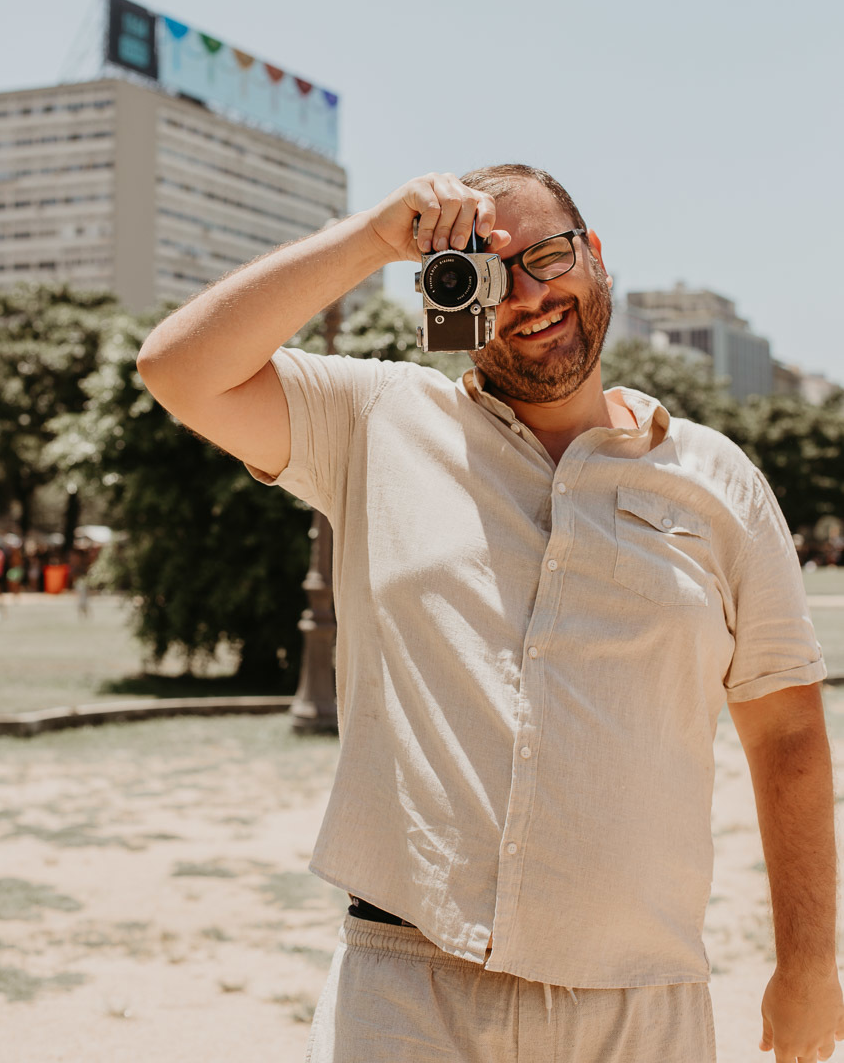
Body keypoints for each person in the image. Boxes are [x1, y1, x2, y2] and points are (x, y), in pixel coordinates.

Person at [137, 166, 842, 1063]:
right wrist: (372, 237)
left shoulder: (715, 479)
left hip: (641, 1002)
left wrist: (809, 963)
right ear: (446, 298)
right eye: (480, 272)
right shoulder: (376, 421)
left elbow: (785, 729)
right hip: (405, 995)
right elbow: (177, 369)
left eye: (546, 257)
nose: (527, 297)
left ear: (594, 257)